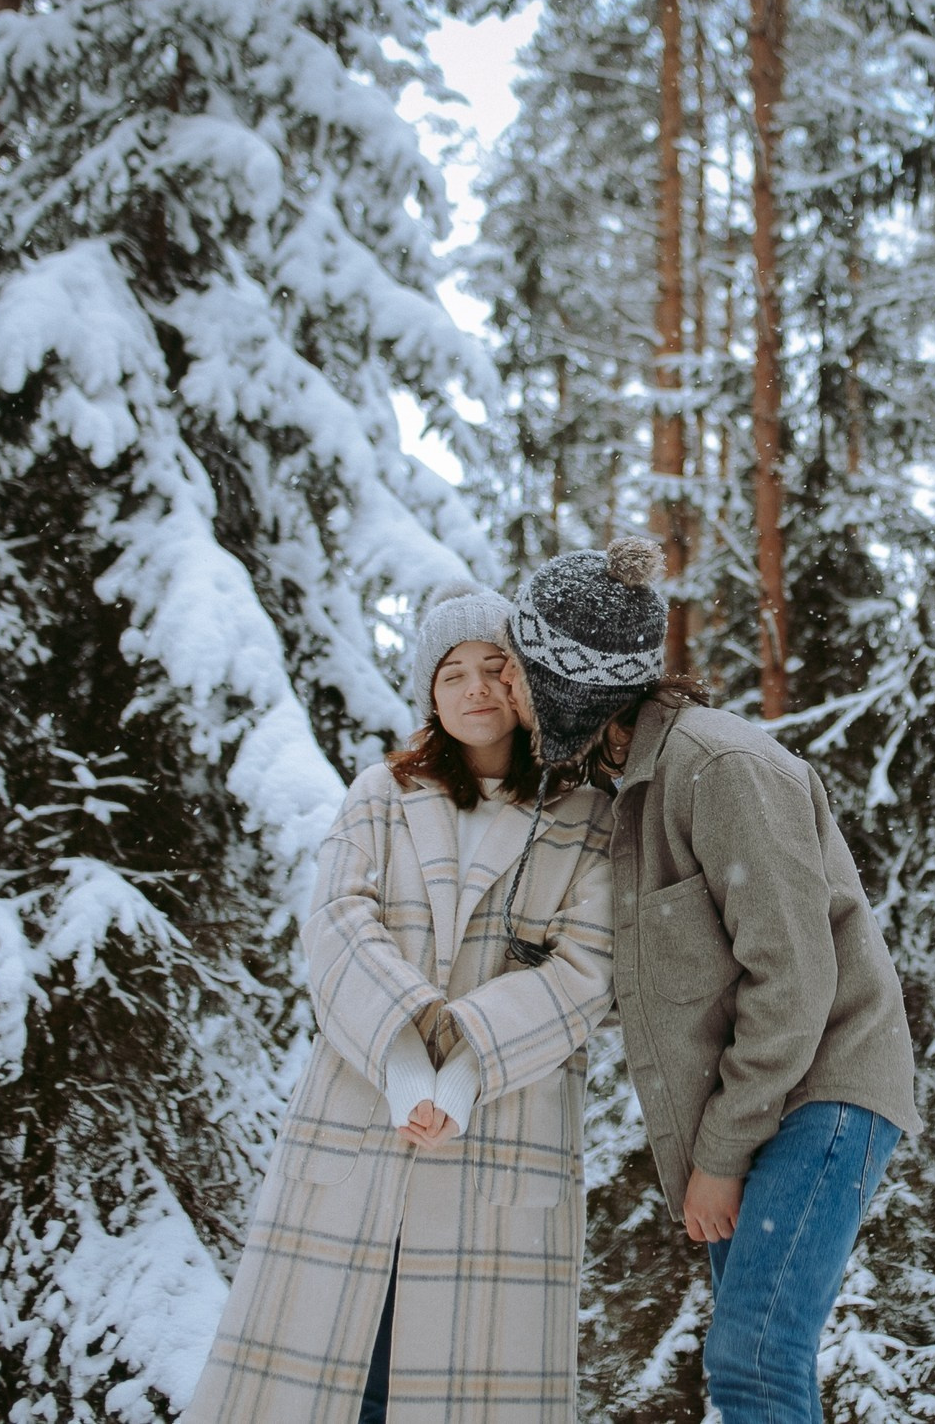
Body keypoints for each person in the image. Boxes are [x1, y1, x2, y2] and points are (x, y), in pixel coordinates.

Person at [496, 538, 922, 1424]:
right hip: (765, 1101)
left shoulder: (721, 768)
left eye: (523, 672)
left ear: (573, 688)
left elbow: (795, 982)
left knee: (754, 1359)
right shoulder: (628, 792)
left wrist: (719, 1159)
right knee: (754, 1360)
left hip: (824, 1089)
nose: (511, 695)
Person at [182, 583, 615, 1424]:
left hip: (503, 1129)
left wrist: (464, 1070)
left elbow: (584, 970)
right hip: (359, 1117)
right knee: (336, 1385)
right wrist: (408, 1058)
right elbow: (338, 923)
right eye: (453, 672)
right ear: (429, 693)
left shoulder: (587, 816)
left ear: (529, 686)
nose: (477, 687)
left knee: (454, 1392)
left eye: (498, 667)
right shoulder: (381, 791)